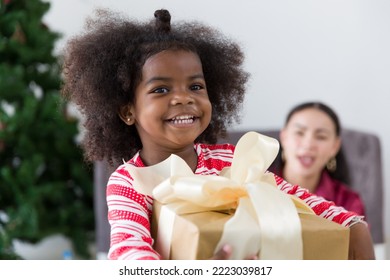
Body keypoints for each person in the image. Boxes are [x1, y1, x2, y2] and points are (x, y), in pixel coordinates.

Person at [60, 8, 375, 260]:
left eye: (196, 86)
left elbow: (293, 196)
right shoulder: (129, 182)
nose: (184, 97)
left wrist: (350, 223)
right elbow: (129, 251)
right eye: (161, 89)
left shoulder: (228, 158)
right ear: (128, 111)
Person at [271, 102, 366, 216]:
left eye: (321, 137)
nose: (308, 144)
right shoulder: (253, 186)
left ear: (335, 146)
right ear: (284, 137)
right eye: (299, 133)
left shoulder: (348, 202)